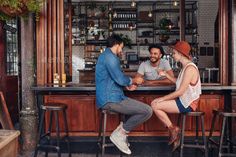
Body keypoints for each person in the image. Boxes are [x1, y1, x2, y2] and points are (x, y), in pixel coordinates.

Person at [95, 34, 153, 155]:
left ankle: (121, 133)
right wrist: (134, 81)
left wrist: (126, 85)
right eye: (121, 47)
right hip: (111, 100)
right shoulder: (111, 57)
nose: (121, 50)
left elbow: (114, 78)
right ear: (116, 45)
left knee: (137, 111)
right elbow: (120, 78)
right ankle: (120, 133)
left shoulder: (105, 56)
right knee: (147, 111)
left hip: (111, 98)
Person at [150, 41, 201, 151]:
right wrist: (166, 75)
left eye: (174, 53)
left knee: (155, 104)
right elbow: (178, 82)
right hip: (183, 101)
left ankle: (173, 129)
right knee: (154, 103)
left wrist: (162, 98)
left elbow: (180, 91)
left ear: (181, 54)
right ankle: (173, 129)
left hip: (188, 104)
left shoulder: (190, 68)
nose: (172, 55)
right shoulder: (185, 67)